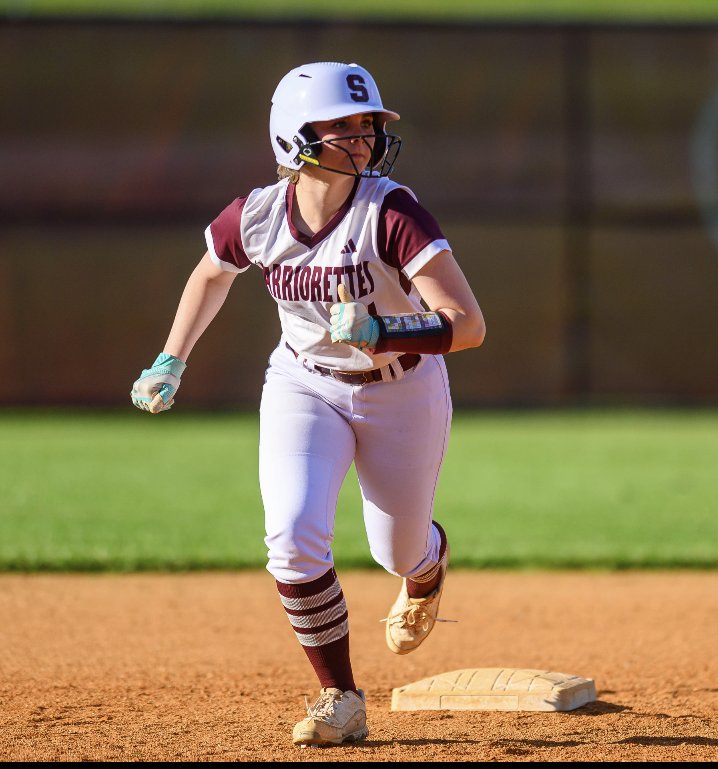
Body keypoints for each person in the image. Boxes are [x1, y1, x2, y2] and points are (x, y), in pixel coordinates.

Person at [129, 61, 486, 747]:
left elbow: (467, 323)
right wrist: (172, 357)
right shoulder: (261, 214)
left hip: (402, 388)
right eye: (343, 127)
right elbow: (211, 271)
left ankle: (428, 563)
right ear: (295, 138)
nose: (364, 138)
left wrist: (384, 329)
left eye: (368, 125)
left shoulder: (390, 210)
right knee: (292, 538)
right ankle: (340, 696)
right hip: (304, 382)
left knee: (397, 548)